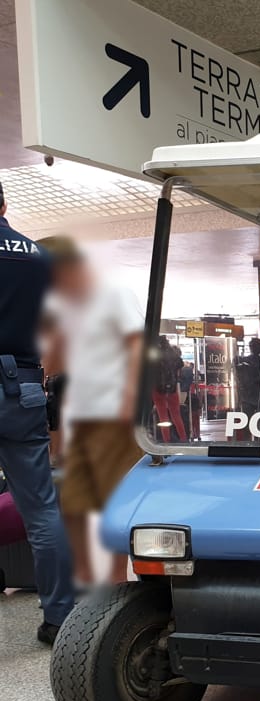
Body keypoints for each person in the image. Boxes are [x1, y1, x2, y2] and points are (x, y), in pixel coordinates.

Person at [41, 235, 144, 586]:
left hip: (116, 411)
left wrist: (130, 397)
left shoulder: (114, 293)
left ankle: (118, 578)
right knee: (78, 499)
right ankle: (85, 577)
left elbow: (136, 344)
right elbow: (54, 355)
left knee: (117, 497)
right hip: (81, 413)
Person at [0, 184, 74, 644]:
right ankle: (59, 617)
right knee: (42, 510)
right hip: (22, 387)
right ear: (4, 204)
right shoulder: (37, 256)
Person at [152, 337, 187, 442]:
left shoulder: (154, 354)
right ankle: (183, 439)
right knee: (176, 415)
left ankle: (166, 441)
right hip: (172, 388)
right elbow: (180, 366)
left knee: (163, 416)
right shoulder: (174, 355)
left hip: (157, 388)